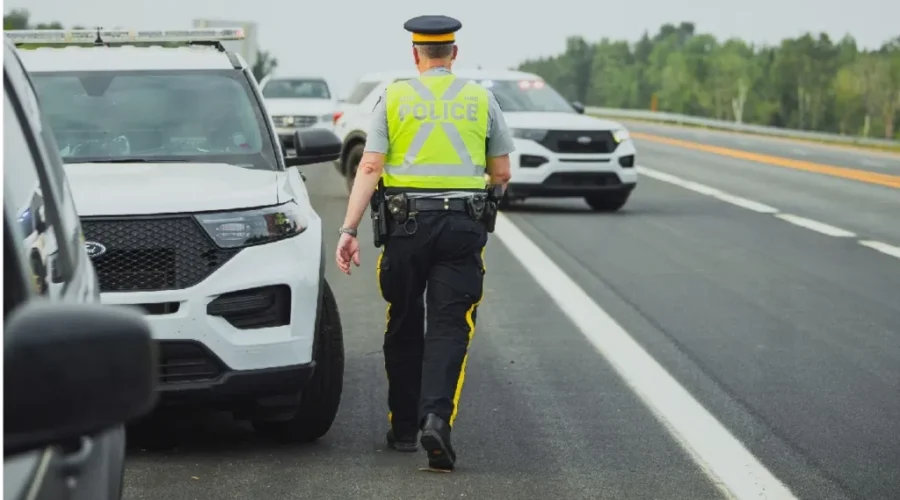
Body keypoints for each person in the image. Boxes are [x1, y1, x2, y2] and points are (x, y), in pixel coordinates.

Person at [334, 15, 514, 471]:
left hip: (406, 228)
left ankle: (402, 429)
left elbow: (370, 166)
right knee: (451, 326)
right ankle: (436, 418)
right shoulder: (481, 98)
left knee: (405, 320)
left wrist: (349, 229)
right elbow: (502, 173)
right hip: (461, 228)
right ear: (454, 54)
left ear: (415, 55)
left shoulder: (393, 97)